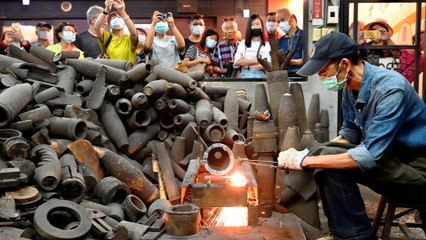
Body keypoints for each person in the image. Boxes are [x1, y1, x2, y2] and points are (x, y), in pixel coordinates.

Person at [278, 31, 426, 240]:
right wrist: (308, 153)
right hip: (389, 158)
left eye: (322, 71)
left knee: (327, 165)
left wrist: (307, 161)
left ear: (345, 64)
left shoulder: (391, 89)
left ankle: (357, 236)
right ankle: (342, 232)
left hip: (415, 168)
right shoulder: (350, 86)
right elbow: (350, 133)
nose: (321, 77)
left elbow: (367, 156)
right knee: (323, 154)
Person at [234, 14, 271, 78]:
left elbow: (267, 64)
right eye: (252, 24)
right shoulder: (243, 43)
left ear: (262, 26)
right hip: (245, 76)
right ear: (249, 27)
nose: (255, 26)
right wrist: (260, 61)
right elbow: (237, 62)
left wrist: (247, 65)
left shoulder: (267, 45)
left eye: (257, 24)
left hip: (261, 75)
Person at [277, 7, 303, 77]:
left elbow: (308, 60)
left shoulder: (304, 36)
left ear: (292, 18)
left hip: (301, 76)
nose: (280, 24)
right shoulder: (280, 41)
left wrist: (291, 62)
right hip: (284, 76)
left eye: (282, 20)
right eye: (278, 22)